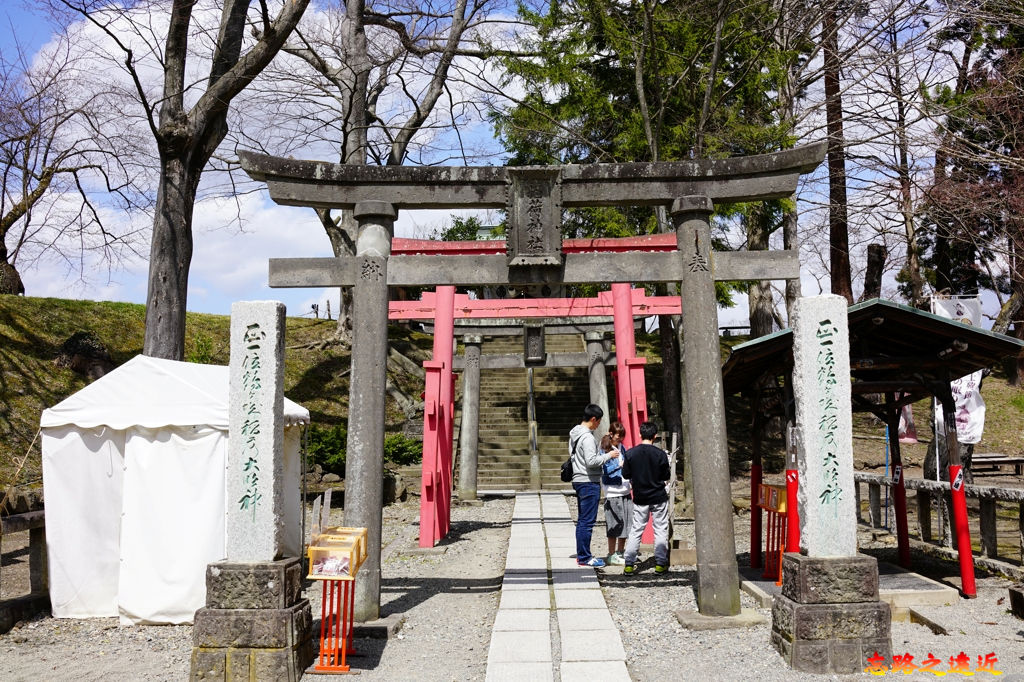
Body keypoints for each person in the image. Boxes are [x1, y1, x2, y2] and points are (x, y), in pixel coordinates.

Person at [570, 403, 618, 567]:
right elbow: (591, 461)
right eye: (598, 421)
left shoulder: (575, 434)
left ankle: (582, 554)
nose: (598, 425)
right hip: (588, 480)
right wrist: (609, 455)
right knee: (587, 521)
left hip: (578, 479)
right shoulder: (588, 437)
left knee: (582, 520)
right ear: (593, 419)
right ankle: (584, 557)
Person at [622, 421, 671, 575]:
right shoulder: (660, 454)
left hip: (640, 497)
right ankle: (660, 563)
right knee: (661, 529)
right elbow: (666, 475)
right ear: (655, 436)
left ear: (640, 434)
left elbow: (625, 474)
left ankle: (629, 563)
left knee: (636, 529)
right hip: (658, 496)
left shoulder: (630, 453)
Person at [600, 422, 630, 565]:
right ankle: (611, 554)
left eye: (622, 437)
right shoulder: (604, 449)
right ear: (611, 434)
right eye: (618, 436)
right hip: (612, 491)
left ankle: (621, 551)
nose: (620, 439)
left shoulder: (622, 447)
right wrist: (618, 464)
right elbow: (603, 470)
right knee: (614, 523)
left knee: (625, 523)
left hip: (625, 488)